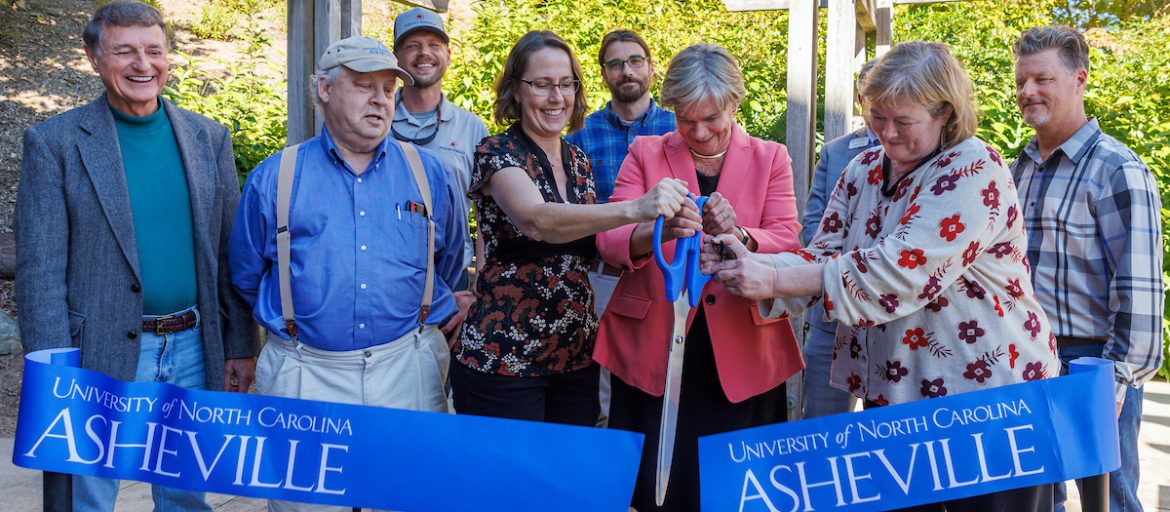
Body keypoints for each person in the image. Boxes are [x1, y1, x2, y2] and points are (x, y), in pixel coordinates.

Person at [704, 41, 1060, 511]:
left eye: (903, 121)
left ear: (945, 114)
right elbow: (820, 256)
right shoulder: (862, 169)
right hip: (895, 398)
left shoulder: (976, 168)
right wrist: (747, 261)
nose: (886, 134)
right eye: (877, 117)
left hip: (987, 407)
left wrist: (771, 281)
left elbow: (899, 272)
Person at [14, 1, 258, 510]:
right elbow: (39, 272)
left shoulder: (208, 137)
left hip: (193, 344)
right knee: (89, 497)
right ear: (94, 57)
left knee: (187, 496)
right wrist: (53, 372)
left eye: (153, 50)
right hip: (97, 352)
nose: (142, 65)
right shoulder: (54, 143)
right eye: (124, 51)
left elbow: (226, 251)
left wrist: (239, 344)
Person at [228, 36, 465, 512]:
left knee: (412, 498)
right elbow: (246, 273)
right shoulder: (276, 176)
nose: (380, 99)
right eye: (363, 85)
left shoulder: (429, 173)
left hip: (407, 366)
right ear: (324, 89)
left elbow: (452, 259)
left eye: (387, 88)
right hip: (304, 371)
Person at [594, 43, 802, 511]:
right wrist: (657, 230)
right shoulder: (645, 152)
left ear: (735, 102)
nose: (699, 132)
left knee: (737, 491)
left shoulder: (772, 158)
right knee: (656, 489)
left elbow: (788, 239)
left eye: (712, 118)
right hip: (655, 349)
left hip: (742, 352)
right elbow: (610, 238)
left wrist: (741, 237)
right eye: (686, 120)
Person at [452, 30, 689, 426]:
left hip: (575, 357)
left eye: (565, 84)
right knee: (508, 486)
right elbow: (538, 219)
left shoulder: (578, 160)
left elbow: (594, 242)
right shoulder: (496, 153)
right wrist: (636, 208)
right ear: (516, 89)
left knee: (569, 483)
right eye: (542, 85)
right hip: (504, 360)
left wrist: (663, 230)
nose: (556, 97)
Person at [1011, 26, 1164, 512]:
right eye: (1021, 81)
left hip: (1093, 363)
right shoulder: (1019, 168)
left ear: (1080, 79)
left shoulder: (1117, 170)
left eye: (1042, 79)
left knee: (1110, 502)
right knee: (1037, 501)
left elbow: (1140, 292)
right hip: (1026, 358)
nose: (1027, 91)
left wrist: (1116, 381)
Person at [565, 29, 677, 426]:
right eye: (615, 64)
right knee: (607, 388)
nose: (626, 71)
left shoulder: (678, 126)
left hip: (669, 275)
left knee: (666, 379)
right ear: (604, 73)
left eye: (634, 61)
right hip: (605, 274)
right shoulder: (580, 138)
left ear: (650, 67)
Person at [392, 8, 489, 320]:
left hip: (451, 276)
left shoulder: (471, 128)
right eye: (412, 45)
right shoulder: (374, 121)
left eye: (434, 45)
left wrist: (480, 287)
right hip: (384, 274)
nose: (424, 53)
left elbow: (486, 212)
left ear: (448, 54)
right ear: (396, 58)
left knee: (444, 367)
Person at [800, 58, 879, 419]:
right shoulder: (835, 151)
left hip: (899, 319)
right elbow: (812, 227)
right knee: (821, 424)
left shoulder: (932, 152)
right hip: (832, 315)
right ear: (860, 100)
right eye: (869, 97)